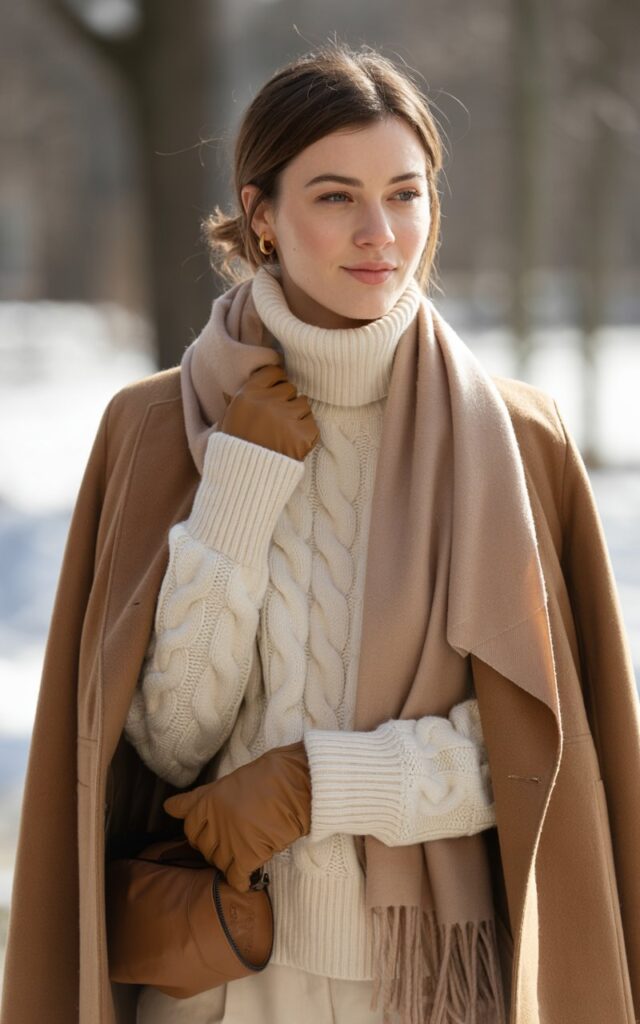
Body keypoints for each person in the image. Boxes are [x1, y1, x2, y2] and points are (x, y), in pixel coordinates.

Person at [3, 39, 640, 1024]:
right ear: (260, 216)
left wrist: (314, 782)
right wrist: (242, 481)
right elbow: (169, 742)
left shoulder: (512, 439)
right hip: (212, 977)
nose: (378, 231)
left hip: (426, 987)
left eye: (405, 193)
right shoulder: (152, 428)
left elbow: (535, 754)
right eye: (335, 195)